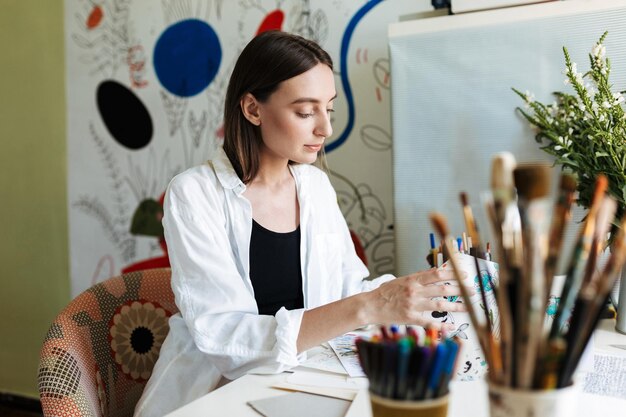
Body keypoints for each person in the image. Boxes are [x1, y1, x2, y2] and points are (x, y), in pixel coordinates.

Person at [134, 30, 466, 417]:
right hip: (215, 396)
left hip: (303, 384)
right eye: (306, 112)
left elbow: (350, 290)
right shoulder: (193, 194)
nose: (325, 128)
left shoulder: (315, 186)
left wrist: (422, 296)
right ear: (253, 109)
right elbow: (225, 339)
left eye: (330, 109)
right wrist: (371, 304)